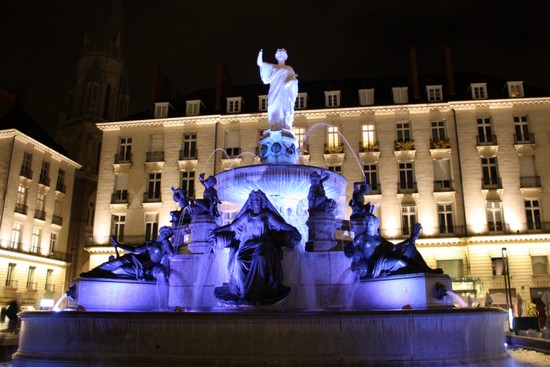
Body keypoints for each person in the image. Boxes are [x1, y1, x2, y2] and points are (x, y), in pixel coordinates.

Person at [210, 190, 301, 304]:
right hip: (248, 245)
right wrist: (217, 230)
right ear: (250, 202)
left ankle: (261, 289)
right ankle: (244, 291)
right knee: (239, 261)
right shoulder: (246, 216)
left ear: (262, 201)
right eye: (253, 200)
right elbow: (232, 227)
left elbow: (281, 225)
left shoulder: (267, 214)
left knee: (261, 257)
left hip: (264, 243)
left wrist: (293, 229)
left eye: (257, 199)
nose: (255, 201)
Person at [345, 208, 441, 278]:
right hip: (376, 264)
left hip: (384, 257)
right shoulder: (361, 237)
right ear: (365, 224)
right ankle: (418, 271)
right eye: (368, 223)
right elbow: (348, 249)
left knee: (410, 248)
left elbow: (393, 248)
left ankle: (426, 269)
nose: (370, 225)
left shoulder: (378, 238)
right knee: (399, 262)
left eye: (372, 223)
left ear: (375, 224)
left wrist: (410, 239)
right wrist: (354, 254)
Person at [81, 226, 175, 281]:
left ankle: (100, 276)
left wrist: (167, 242)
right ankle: (92, 273)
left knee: (119, 269)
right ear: (160, 232)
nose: (165, 235)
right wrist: (118, 245)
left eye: (167, 234)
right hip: (138, 259)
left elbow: (172, 254)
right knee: (114, 263)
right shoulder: (150, 243)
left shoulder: (165, 244)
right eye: (164, 232)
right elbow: (134, 250)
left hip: (146, 266)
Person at [257, 48, 298, 130]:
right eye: (279, 54)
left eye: (282, 54)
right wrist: (260, 53)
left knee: (283, 110)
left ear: (285, 56)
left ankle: (284, 125)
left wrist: (290, 82)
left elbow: (294, 79)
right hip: (274, 91)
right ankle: (273, 126)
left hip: (284, 92)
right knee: (273, 108)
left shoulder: (289, 68)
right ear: (276, 56)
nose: (280, 55)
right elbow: (260, 63)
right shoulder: (272, 67)